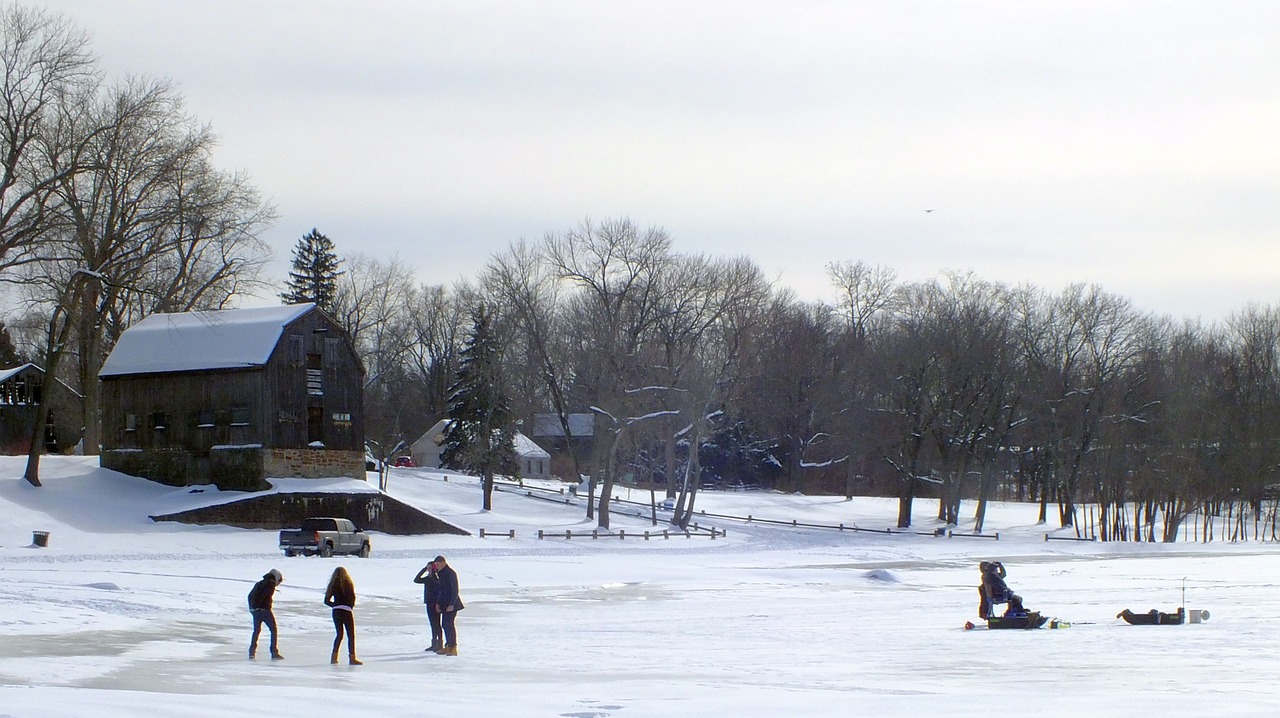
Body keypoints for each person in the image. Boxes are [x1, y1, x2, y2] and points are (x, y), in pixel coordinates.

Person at [324, 566, 362, 665]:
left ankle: (334, 657)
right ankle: (352, 658)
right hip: (346, 611)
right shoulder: (349, 584)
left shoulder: (333, 585)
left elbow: (326, 601)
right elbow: (353, 598)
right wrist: (349, 606)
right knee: (351, 635)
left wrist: (335, 605)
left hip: (336, 611)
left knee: (339, 634)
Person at [248, 568, 284, 659]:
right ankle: (274, 652)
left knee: (256, 631)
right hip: (264, 611)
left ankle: (252, 652)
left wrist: (253, 608)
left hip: (255, 611)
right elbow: (265, 596)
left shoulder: (259, 583)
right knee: (273, 630)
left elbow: (250, 596)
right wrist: (263, 607)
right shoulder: (270, 583)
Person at [433, 555, 464, 656]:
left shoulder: (450, 573)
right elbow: (441, 590)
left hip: (452, 604)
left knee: (448, 624)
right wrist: (438, 602)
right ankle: (448, 645)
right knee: (445, 624)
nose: (436, 566)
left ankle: (453, 647)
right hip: (444, 603)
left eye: (438, 564)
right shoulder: (440, 573)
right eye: (435, 565)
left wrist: (451, 604)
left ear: (443, 563)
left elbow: (455, 590)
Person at [413, 558, 444, 652]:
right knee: (432, 624)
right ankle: (434, 643)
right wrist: (424, 570)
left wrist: (438, 603)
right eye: (428, 568)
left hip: (435, 604)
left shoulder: (436, 579)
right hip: (429, 603)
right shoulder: (427, 579)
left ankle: (439, 643)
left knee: (437, 624)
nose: (429, 570)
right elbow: (416, 580)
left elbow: (439, 590)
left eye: (430, 568)